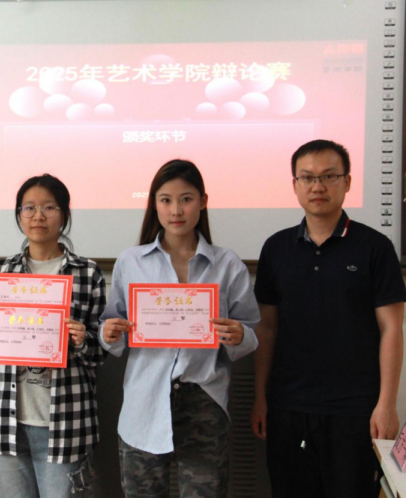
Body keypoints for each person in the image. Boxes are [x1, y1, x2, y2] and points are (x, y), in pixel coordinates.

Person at [251, 139, 406, 498]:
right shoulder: (276, 248)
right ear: (295, 185)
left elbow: (392, 328)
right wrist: (260, 397)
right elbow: (267, 329)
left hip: (355, 410)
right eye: (307, 177)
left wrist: (386, 404)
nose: (317, 186)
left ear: (347, 182)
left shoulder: (375, 247)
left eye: (328, 176)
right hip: (288, 407)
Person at [100, 159, 259, 498]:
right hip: (144, 398)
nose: (176, 210)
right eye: (166, 200)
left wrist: (239, 335)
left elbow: (250, 331)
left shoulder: (227, 263)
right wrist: (108, 333)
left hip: (204, 400)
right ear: (154, 204)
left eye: (186, 199)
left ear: (203, 201)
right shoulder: (131, 261)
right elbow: (111, 326)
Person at [0, 174, 106, 498]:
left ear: (64, 214)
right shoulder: (1, 272)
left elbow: (101, 350)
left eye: (49, 207)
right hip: (5, 420)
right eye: (29, 208)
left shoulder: (87, 273)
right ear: (19, 215)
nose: (38, 216)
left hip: (65, 421)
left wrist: (83, 340)